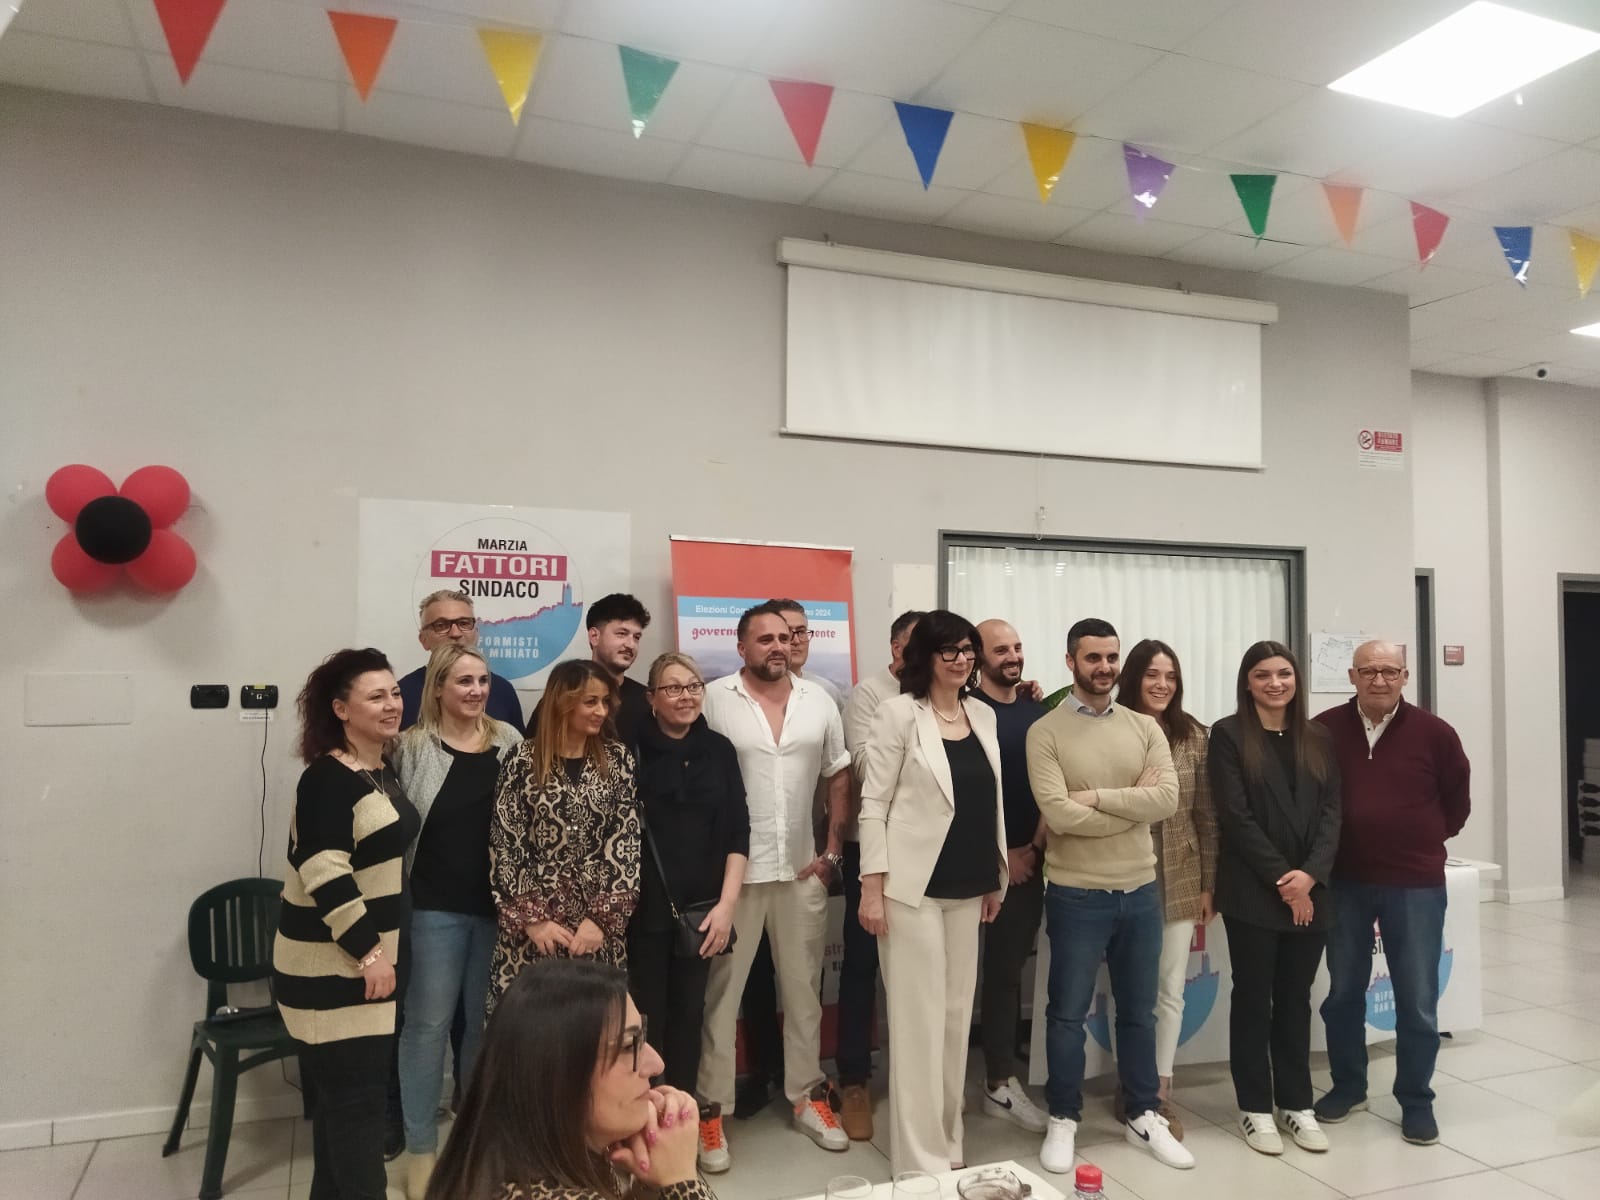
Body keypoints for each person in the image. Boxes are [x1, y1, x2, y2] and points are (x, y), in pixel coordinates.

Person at [1026, 618, 1192, 1173]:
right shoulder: (1046, 731)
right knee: (1067, 1014)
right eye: (1093, 657)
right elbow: (1058, 816)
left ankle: (1144, 1113)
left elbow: (1166, 801)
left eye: (1111, 657)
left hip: (1140, 891)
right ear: (1071, 661)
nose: (1105, 667)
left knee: (1139, 1012)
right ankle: (1064, 1116)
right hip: (1076, 895)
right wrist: (1129, 807)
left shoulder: (1144, 727)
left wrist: (1095, 797)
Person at [699, 602, 852, 1158]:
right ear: (742, 647)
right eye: (765, 639)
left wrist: (832, 850)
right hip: (733, 878)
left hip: (801, 871)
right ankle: (711, 1110)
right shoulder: (713, 699)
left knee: (804, 993)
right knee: (722, 997)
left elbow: (838, 773)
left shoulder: (819, 699)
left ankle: (807, 1095)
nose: (778, 647)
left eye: (786, 637)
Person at [858, 609, 1007, 1174]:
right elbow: (874, 804)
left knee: (953, 1022)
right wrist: (872, 890)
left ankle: (949, 1145)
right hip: (911, 890)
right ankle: (920, 1164)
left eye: (968, 649)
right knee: (918, 1028)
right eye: (950, 649)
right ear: (925, 655)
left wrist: (994, 877)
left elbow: (989, 801)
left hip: (970, 887)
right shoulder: (899, 713)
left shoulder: (982, 714)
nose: (961, 659)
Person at [273, 648, 420, 1200]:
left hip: (366, 968)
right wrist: (369, 953)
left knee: (345, 1111)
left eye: (395, 693)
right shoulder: (327, 778)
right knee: (357, 1115)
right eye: (375, 696)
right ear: (340, 709)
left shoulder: (379, 768)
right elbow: (324, 871)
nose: (391, 704)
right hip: (333, 973)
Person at [1314, 640, 1470, 1147]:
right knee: (1343, 993)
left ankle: (1416, 1100)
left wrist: (1419, 839)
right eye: (1368, 671)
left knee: (1417, 998)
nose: (1378, 679)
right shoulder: (1323, 730)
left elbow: (1457, 803)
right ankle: (1348, 1086)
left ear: (1405, 676)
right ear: (1351, 677)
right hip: (1344, 881)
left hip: (1415, 883)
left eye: (1389, 671)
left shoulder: (1436, 733)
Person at [392, 643, 524, 1199]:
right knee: (427, 1027)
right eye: (464, 681)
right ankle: (420, 1148)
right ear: (439, 687)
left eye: (482, 681)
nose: (476, 691)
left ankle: (473, 1144)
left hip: (497, 913)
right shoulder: (411, 747)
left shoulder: (511, 742)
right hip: (433, 911)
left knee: (484, 1028)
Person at [424, 959, 712, 1200]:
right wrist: (681, 1181)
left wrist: (652, 1186)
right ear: (559, 1074)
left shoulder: (514, 1159)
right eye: (628, 1046)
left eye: (642, 1038)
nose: (656, 1064)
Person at [1210, 641, 1341, 1157]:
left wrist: (1309, 877)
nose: (1275, 683)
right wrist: (1286, 881)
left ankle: (1295, 1103)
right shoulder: (1228, 736)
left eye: (1284, 673)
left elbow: (1332, 813)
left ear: (1296, 679)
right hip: (1254, 892)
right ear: (1248, 683)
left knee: (1295, 999)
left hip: (1313, 891)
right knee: (1253, 998)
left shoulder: (1319, 737)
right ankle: (1255, 1107)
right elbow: (1235, 817)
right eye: (1263, 674)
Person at [626, 652, 750, 1174]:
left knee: (689, 1018)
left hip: (703, 912)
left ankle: (683, 1125)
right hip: (641, 912)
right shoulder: (627, 749)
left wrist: (726, 907)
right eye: (672, 688)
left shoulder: (719, 750)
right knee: (645, 1022)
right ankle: (642, 1126)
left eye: (693, 686)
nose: (685, 696)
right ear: (651, 698)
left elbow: (738, 831)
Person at [488, 660, 640, 1010]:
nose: (601, 711)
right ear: (562, 701)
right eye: (591, 702)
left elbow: (626, 843)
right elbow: (505, 843)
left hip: (596, 926)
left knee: (595, 1025)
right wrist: (533, 920)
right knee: (529, 1027)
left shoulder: (617, 760)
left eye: (605, 702)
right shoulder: (522, 759)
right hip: (533, 931)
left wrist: (601, 920)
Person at [1113, 639, 1217, 1137]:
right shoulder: (1110, 726)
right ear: (1133, 677)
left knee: (1170, 986)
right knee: (1128, 988)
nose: (1162, 684)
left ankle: (1157, 1091)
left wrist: (1208, 884)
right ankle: (1129, 1084)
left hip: (1179, 874)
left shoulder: (1195, 736)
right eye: (1152, 674)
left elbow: (1207, 816)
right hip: (1120, 870)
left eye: (1170, 676)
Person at [833, 609, 923, 1139]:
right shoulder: (870, 695)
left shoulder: (944, 696)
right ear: (895, 648)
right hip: (871, 849)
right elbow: (868, 770)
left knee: (916, 972)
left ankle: (914, 1079)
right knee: (862, 964)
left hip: (925, 852)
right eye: (915, 643)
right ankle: (853, 1079)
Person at [967, 618, 1050, 1135]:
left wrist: (1029, 851)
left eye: (1017, 647)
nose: (1013, 656)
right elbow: (961, 797)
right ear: (978, 656)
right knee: (949, 982)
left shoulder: (1039, 714)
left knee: (1005, 976)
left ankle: (999, 1081)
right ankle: (938, 1085)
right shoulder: (963, 711)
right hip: (967, 867)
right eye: (1001, 649)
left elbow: (1052, 789)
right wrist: (998, 860)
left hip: (1025, 867)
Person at [399, 590, 525, 733]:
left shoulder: (503, 691)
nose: (455, 633)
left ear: (476, 634)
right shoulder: (401, 695)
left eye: (464, 623)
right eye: (441, 625)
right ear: (424, 640)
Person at [586, 594, 653, 751]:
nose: (631, 645)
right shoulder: (565, 696)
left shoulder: (648, 701)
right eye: (622, 634)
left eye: (636, 637)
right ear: (594, 636)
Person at [770, 598, 845, 710]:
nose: (796, 641)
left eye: (801, 632)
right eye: (787, 632)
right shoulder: (747, 690)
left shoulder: (826, 691)